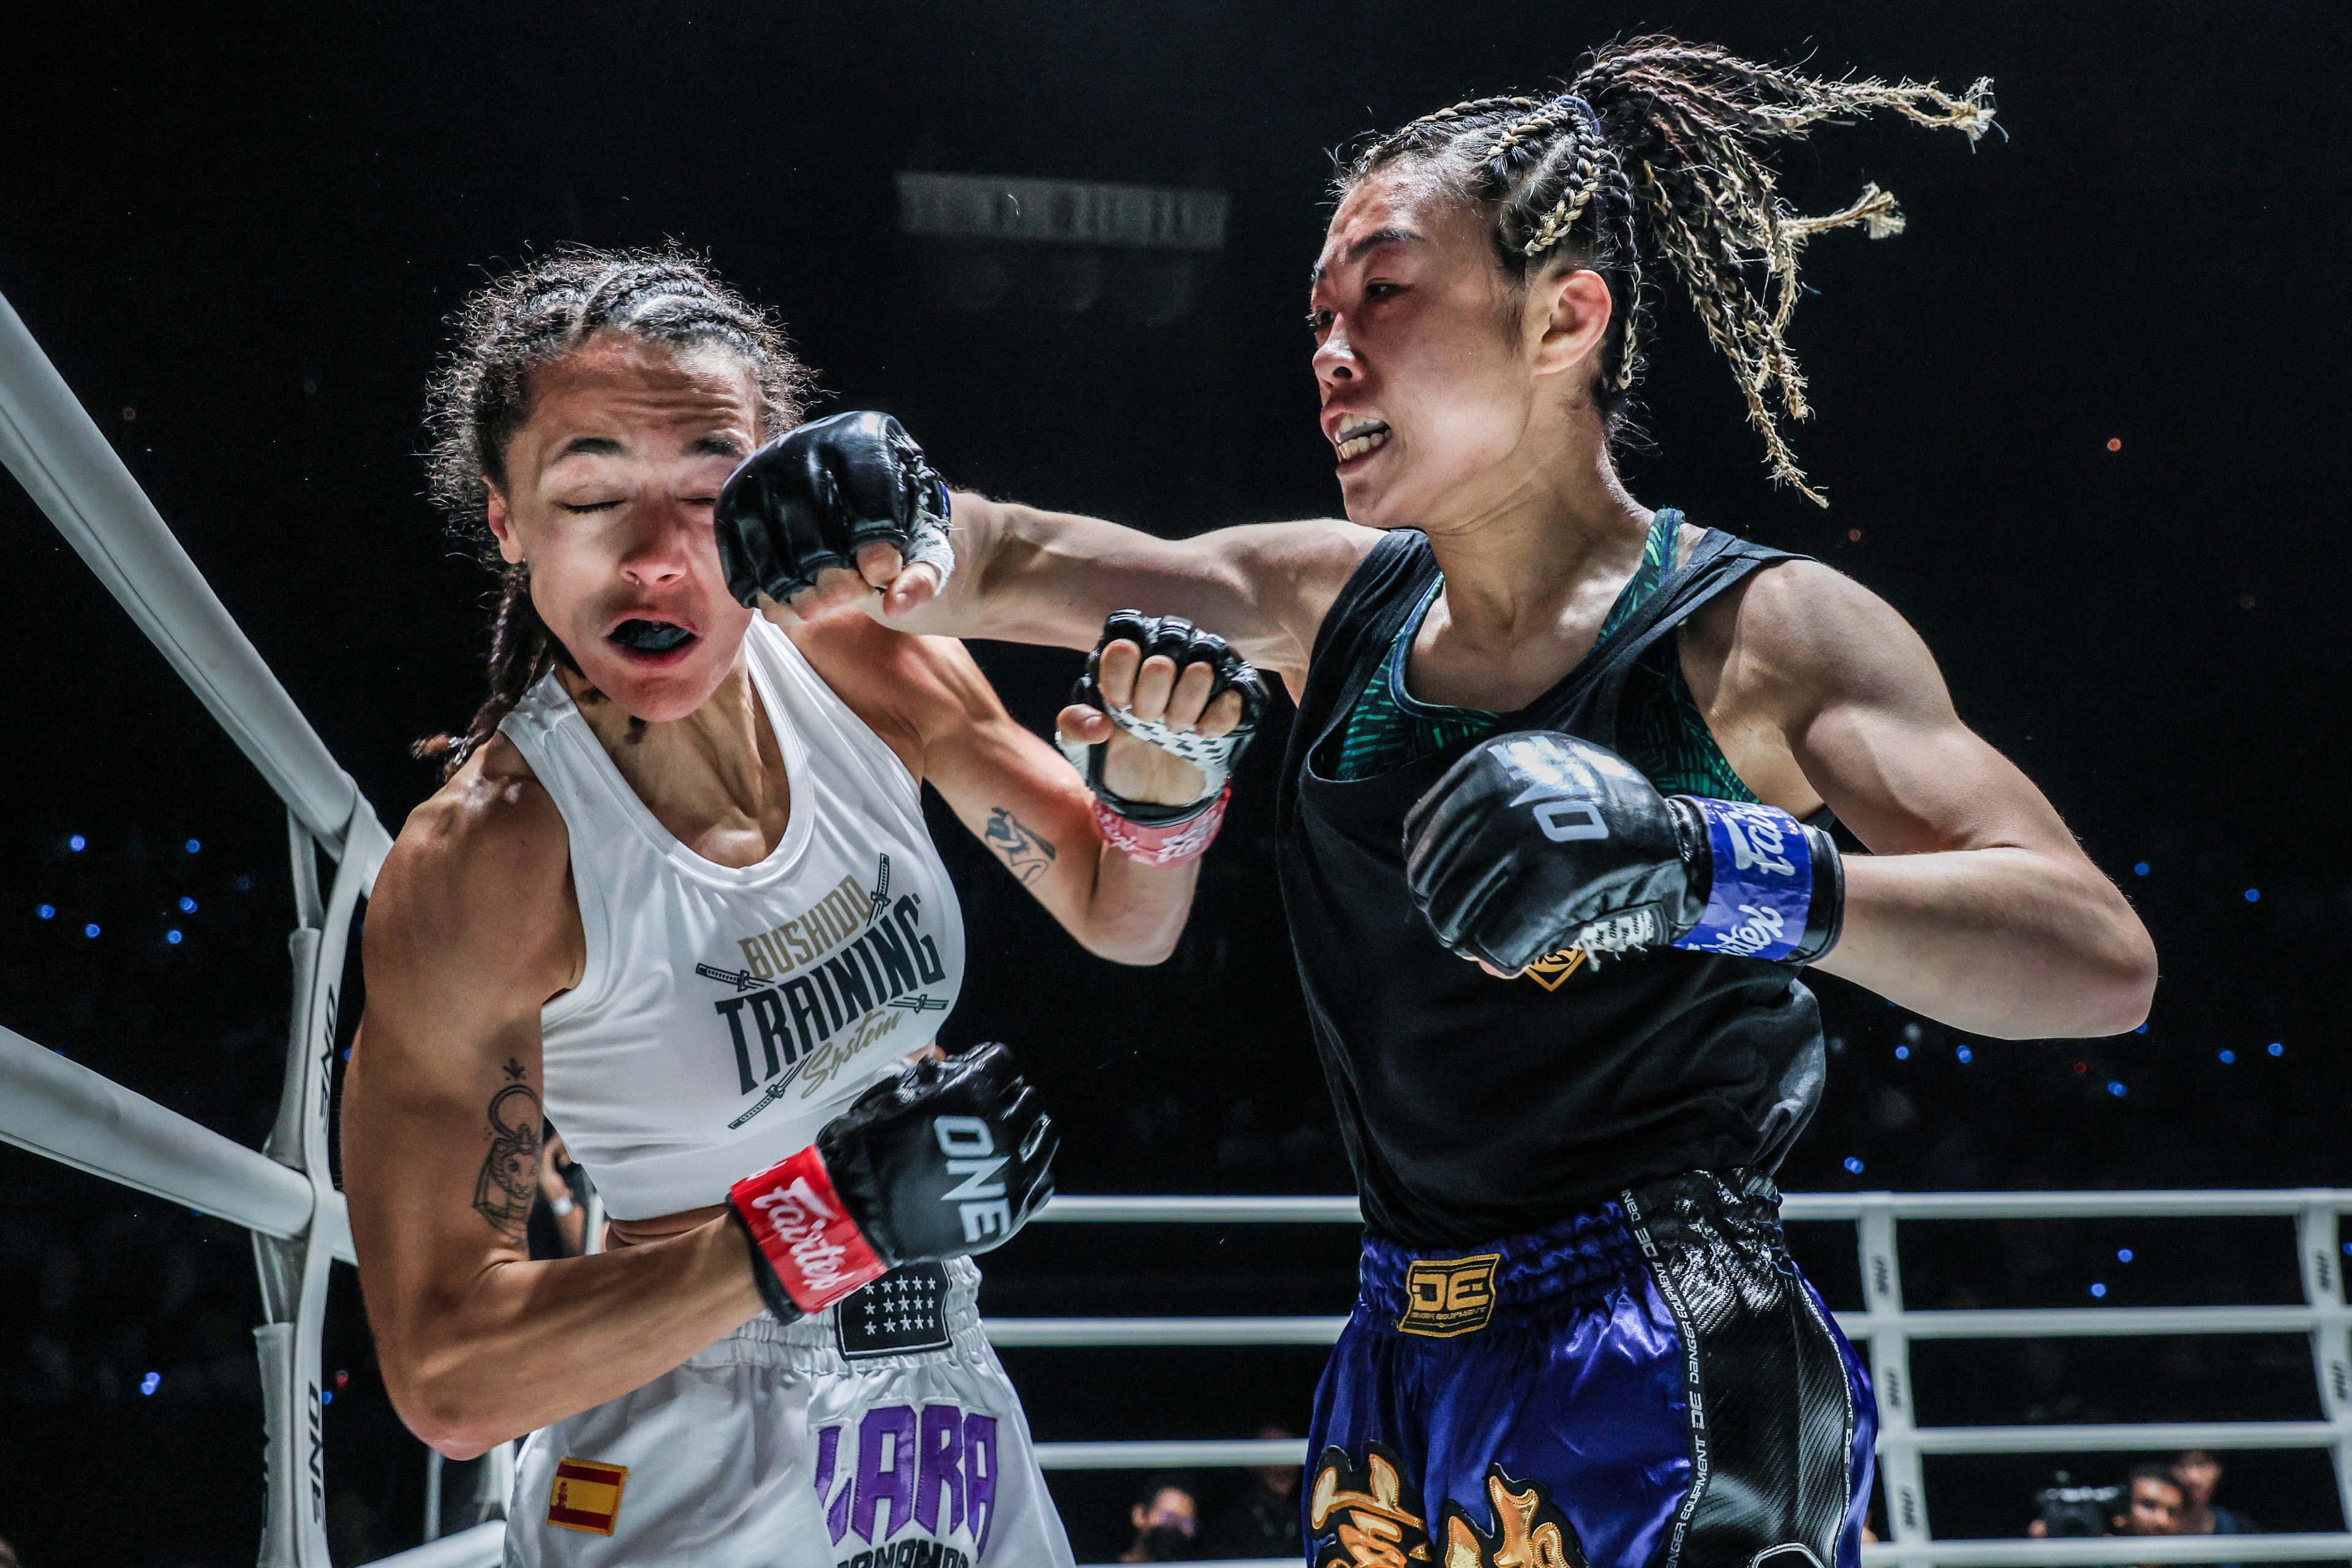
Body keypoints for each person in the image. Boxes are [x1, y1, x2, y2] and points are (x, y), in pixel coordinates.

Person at [718, 36, 2158, 1568]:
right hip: (1397, 1341)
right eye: (1318, 314)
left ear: (1562, 315)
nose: (1330, 348)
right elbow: (1010, 558)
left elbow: (2093, 955)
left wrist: (1698, 862)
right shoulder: (1327, 598)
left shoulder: (1756, 631)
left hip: (1657, 1339)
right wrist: (887, 514)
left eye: (1383, 292)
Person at [341, 249, 1260, 1568]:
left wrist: (1162, 808)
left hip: (941, 1379)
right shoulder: (489, 860)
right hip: (683, 1424)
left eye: (712, 491)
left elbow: (1125, 918)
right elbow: (447, 1377)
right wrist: (831, 1217)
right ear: (508, 522)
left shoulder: (859, 651)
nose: (659, 558)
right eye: (594, 494)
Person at [1200, 1426, 1304, 1559]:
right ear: (1252, 1464)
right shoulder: (1231, 1524)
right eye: (1274, 1457)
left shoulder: (1312, 1515)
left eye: (1290, 1455)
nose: (1283, 1468)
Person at [2171, 1450, 2253, 1567]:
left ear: (2218, 1470)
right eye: (2182, 1464)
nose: (2193, 1477)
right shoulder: (2160, 1531)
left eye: (2202, 1464)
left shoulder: (2240, 1530)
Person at [1118, 1474, 1202, 1562]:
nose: (1174, 1525)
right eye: (1167, 1516)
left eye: (1186, 1522)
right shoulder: (1106, 1564)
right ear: (1140, 1516)